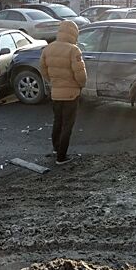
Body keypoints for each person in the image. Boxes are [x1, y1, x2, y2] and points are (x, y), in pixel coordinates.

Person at [40, 20, 87, 165]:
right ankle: (61, 157)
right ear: (74, 33)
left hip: (56, 92)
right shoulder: (74, 50)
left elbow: (43, 69)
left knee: (57, 121)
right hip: (71, 94)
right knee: (67, 124)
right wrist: (81, 85)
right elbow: (80, 74)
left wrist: (52, 82)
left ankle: (56, 148)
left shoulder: (48, 49)